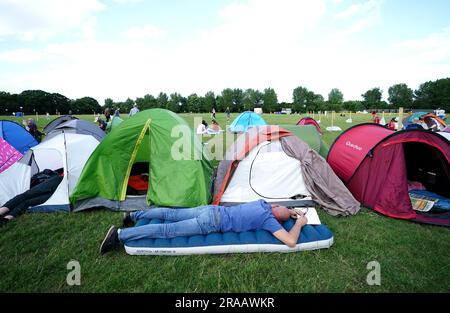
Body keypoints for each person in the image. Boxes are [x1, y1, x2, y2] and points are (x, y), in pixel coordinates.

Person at [99, 199, 308, 254]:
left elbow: (279, 209)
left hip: (210, 210)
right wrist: (298, 221)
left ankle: (132, 215)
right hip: (212, 222)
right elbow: (290, 241)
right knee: (167, 231)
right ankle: (120, 235)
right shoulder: (268, 220)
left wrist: (290, 211)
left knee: (170, 214)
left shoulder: (263, 204)